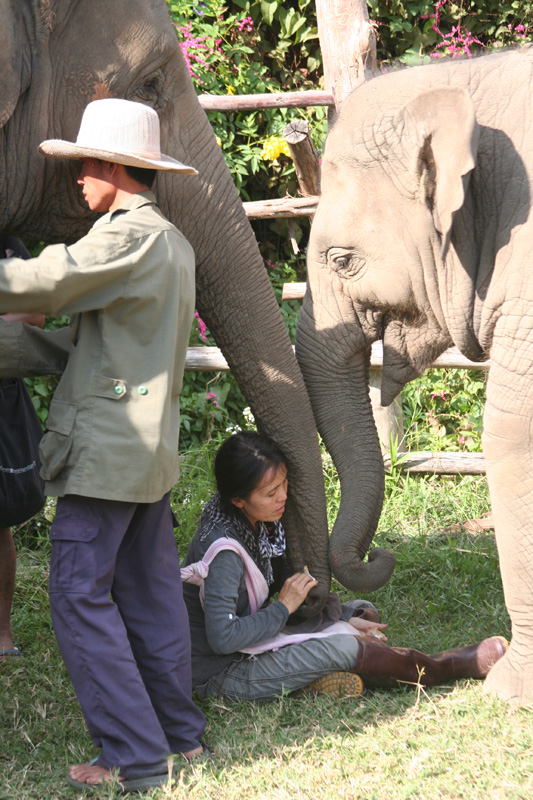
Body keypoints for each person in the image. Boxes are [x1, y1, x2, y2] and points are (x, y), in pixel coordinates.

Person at [0, 98, 207, 791]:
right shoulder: (170, 241)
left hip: (105, 460)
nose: (76, 180)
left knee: (78, 598)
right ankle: (180, 740)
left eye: (83, 165)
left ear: (113, 166)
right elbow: (89, 348)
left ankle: (132, 756)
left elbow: (46, 281)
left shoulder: (125, 237)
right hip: (145, 457)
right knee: (149, 597)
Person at [182, 431, 508, 702]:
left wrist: (342, 617)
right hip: (223, 673)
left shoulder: (257, 520)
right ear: (238, 499)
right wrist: (283, 608)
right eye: (271, 493)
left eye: (284, 484)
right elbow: (223, 638)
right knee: (344, 644)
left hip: (252, 643)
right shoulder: (224, 551)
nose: (283, 497)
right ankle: (446, 667)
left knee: (361, 611)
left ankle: (314, 679)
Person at [0, 235, 45, 663]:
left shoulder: (9, 245)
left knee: (1, 518)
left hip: (2, 395)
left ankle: (2, 633)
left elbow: (35, 314)